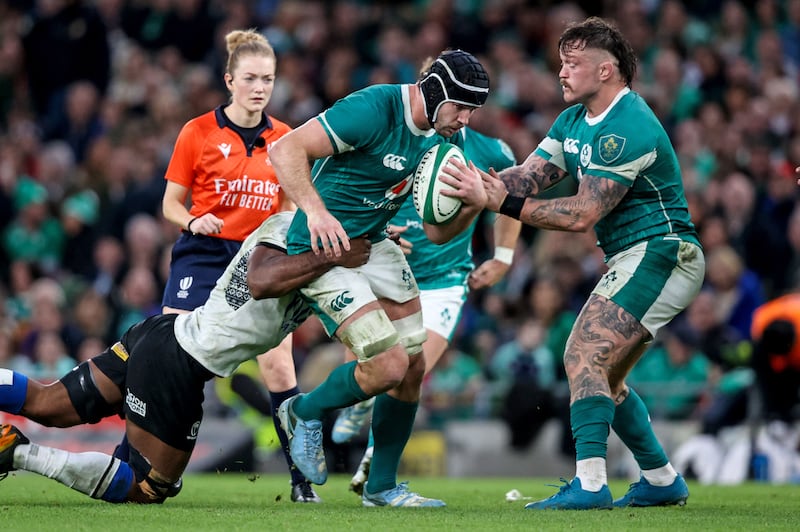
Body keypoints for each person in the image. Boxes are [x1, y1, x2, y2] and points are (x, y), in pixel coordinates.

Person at [453, 17, 706, 509]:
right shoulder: (572, 121)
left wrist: (498, 203)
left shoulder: (629, 125)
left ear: (607, 70)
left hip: (662, 251)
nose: (562, 74)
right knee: (605, 380)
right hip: (636, 255)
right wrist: (476, 184)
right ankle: (661, 479)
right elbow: (528, 177)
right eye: (561, 63)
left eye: (573, 64)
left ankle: (591, 484)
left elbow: (583, 213)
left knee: (581, 353)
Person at [0, 211, 370, 504]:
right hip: (176, 361)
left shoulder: (288, 237)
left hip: (158, 332)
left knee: (48, 403)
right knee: (148, 487)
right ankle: (18, 454)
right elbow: (264, 281)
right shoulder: (290, 246)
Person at [268, 49, 490, 507]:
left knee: (412, 367)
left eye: (474, 110)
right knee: (388, 365)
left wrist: (472, 204)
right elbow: (284, 148)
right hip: (322, 247)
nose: (466, 120)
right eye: (461, 107)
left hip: (373, 244)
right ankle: (303, 411)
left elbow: (435, 231)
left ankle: (381, 487)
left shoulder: (449, 141)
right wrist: (316, 213)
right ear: (435, 92)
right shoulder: (373, 108)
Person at [147, 28, 317, 502]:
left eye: (268, 78)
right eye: (250, 78)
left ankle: (301, 482)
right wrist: (194, 220)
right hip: (202, 255)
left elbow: (288, 209)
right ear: (229, 80)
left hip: (257, 260)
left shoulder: (286, 139)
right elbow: (170, 205)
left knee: (280, 368)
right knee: (169, 364)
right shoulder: (196, 132)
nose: (260, 87)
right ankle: (143, 463)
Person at [330, 123, 522, 495]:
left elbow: (511, 197)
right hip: (385, 273)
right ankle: (358, 404)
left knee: (409, 373)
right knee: (366, 369)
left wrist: (503, 257)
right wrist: (378, 235)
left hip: (444, 281)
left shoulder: (490, 151)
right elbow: (353, 195)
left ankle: (374, 461)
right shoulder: (390, 142)